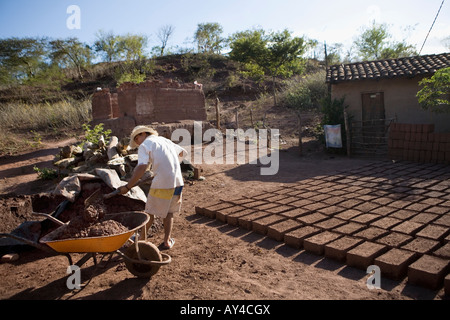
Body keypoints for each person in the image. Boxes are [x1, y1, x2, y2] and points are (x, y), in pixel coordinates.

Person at [118, 125, 187, 250]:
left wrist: (128, 186)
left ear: (143, 134)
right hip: (177, 180)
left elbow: (141, 167)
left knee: (149, 212)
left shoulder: (145, 144)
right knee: (169, 212)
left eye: (136, 139)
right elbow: (182, 153)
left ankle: (141, 239)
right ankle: (167, 241)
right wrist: (169, 167)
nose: (137, 143)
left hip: (163, 184)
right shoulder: (165, 140)